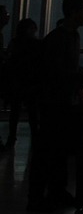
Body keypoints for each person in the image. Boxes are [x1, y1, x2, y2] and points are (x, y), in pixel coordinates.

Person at [28, 0, 83, 210]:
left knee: (58, 149)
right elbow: (55, 72)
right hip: (55, 103)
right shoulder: (61, 39)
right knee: (52, 149)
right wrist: (79, 76)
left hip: (63, 100)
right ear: (74, 12)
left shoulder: (67, 36)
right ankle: (46, 193)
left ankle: (54, 191)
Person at [3, 17, 41, 149]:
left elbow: (9, 61)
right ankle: (35, 139)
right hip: (31, 83)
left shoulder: (15, 43)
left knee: (15, 112)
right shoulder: (36, 44)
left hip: (17, 82)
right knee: (32, 114)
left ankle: (11, 138)